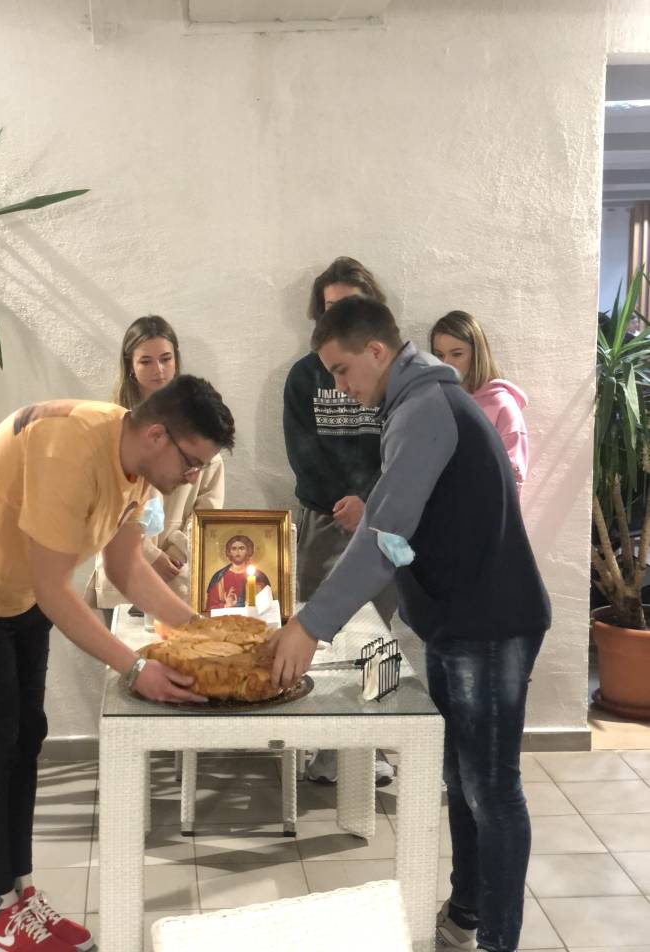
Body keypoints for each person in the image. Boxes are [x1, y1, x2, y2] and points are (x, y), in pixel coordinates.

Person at [0, 376, 235, 952]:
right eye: (192, 462)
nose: (193, 477)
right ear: (157, 435)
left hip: (18, 593)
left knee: (26, 737)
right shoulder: (73, 451)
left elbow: (127, 569)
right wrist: (135, 669)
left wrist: (201, 630)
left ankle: (19, 893)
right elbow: (57, 592)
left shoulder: (138, 467)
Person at [271, 296, 550, 952]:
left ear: (376, 350)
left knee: (491, 789)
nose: (341, 386)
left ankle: (497, 940)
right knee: (464, 781)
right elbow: (398, 529)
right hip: (461, 622)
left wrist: (311, 625)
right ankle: (467, 914)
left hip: (490, 624)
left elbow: (382, 539)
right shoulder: (415, 405)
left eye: (342, 370)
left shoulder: (425, 408)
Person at [283, 256, 395, 786]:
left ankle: (372, 748)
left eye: (348, 303)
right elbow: (302, 451)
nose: (337, 313)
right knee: (324, 633)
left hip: (382, 518)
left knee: (378, 637)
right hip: (324, 520)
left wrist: (368, 502)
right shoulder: (303, 376)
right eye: (328, 306)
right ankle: (326, 751)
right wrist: (342, 503)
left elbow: (399, 450)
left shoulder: (391, 377)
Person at [87, 315, 225, 615]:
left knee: (178, 636)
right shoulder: (115, 427)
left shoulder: (200, 424)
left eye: (165, 359)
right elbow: (104, 508)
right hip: (122, 570)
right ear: (130, 366)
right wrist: (148, 554)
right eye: (146, 361)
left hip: (178, 571)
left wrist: (177, 549)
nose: (158, 370)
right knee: (123, 643)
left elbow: (209, 506)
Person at [430, 310, 528, 496]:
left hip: (480, 511)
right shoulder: (433, 402)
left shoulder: (502, 405)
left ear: (477, 354)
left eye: (456, 354)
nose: (446, 363)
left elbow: (511, 482)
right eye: (439, 355)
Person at [205, 534, 271, 609]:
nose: (237, 552)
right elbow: (210, 607)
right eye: (234, 548)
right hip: (226, 616)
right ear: (229, 552)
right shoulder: (219, 577)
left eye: (241, 548)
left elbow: (268, 605)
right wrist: (226, 605)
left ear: (248, 551)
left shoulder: (259, 577)